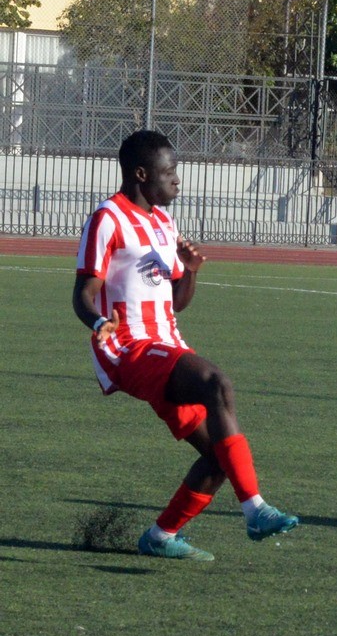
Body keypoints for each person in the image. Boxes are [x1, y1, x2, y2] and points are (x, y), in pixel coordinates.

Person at [72, 130, 299, 562]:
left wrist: (190, 270)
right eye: (170, 171)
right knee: (217, 383)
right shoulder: (108, 218)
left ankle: (160, 536)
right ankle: (255, 510)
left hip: (167, 345)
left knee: (219, 456)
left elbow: (176, 302)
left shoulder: (164, 222)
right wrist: (99, 322)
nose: (177, 179)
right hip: (129, 348)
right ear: (142, 174)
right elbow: (83, 291)